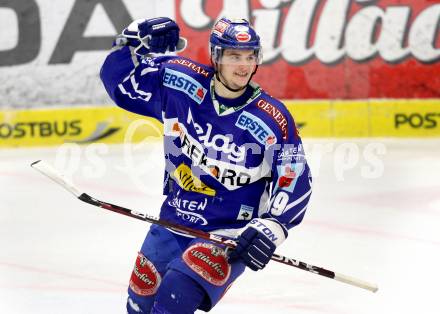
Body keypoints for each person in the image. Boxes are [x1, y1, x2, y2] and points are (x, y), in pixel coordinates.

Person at [100, 16, 312, 314]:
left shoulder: (273, 118)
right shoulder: (179, 82)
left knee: (172, 302)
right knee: (138, 307)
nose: (244, 66)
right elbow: (120, 85)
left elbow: (295, 177)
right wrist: (131, 37)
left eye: (250, 56)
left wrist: (273, 226)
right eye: (234, 56)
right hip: (173, 218)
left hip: (228, 235)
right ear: (216, 56)